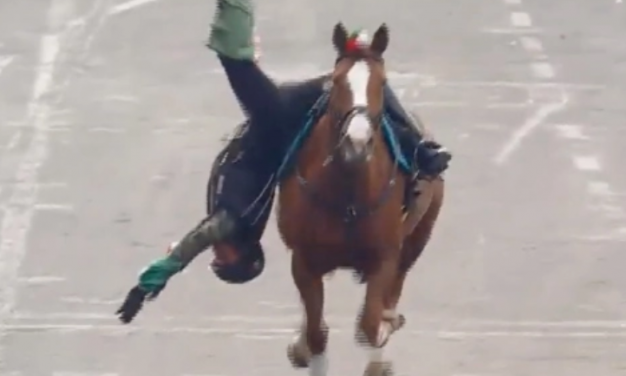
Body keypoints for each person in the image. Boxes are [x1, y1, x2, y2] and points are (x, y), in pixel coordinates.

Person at [115, 0, 452, 323]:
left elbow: (190, 245)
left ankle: (417, 146)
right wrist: (154, 277)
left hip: (275, 125)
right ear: (241, 253)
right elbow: (193, 244)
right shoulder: (234, 221)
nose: (217, 254)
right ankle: (418, 148)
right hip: (275, 123)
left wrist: (157, 276)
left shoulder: (232, 223)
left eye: (217, 260)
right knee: (343, 84)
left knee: (347, 84)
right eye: (223, 260)